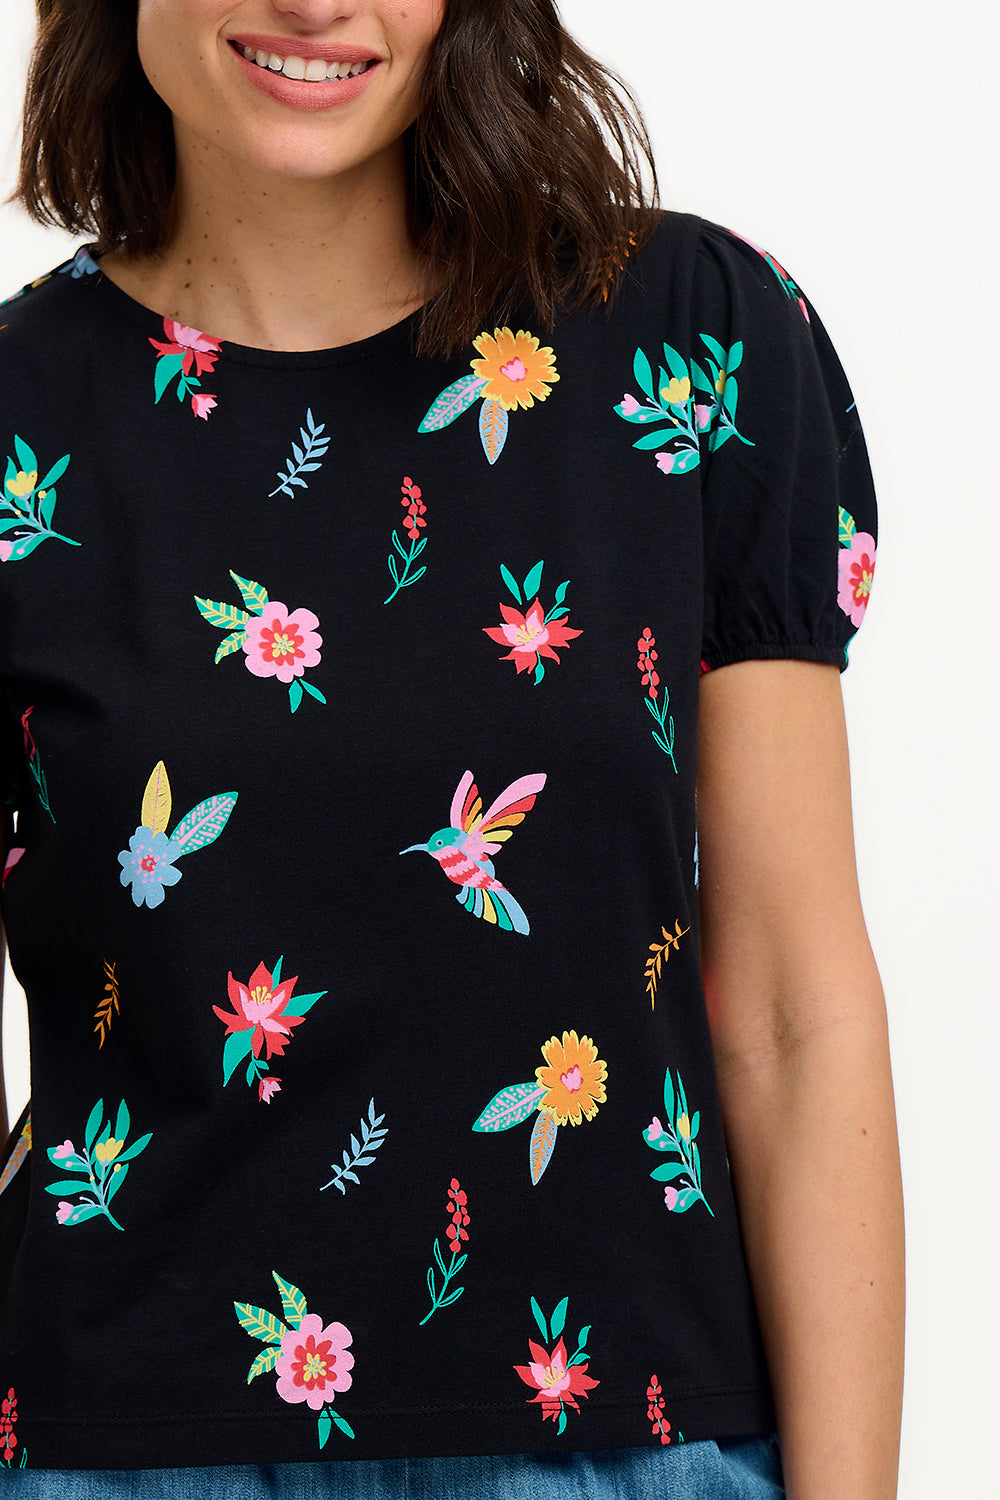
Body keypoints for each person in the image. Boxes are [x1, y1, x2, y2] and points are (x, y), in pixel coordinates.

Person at [0, 1, 903, 1496]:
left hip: (635, 1450)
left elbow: (795, 1015)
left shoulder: (691, 342)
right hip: (121, 1455)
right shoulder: (20, 423)